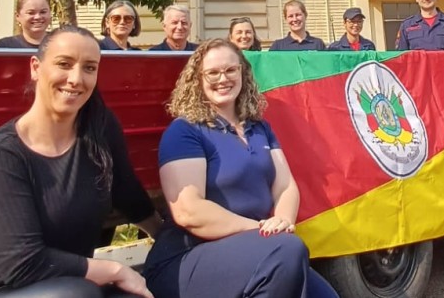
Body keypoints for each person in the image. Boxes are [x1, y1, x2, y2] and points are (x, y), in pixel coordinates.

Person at [0, 26, 163, 298]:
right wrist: (116, 271)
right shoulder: (0, 155)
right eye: (64, 64)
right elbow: (22, 264)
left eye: (89, 68)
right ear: (35, 67)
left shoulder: (99, 130)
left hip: (66, 282)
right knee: (77, 294)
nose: (76, 79)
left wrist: (167, 237)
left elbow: (127, 193)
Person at [142, 39, 338, 298]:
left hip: (260, 246)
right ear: (197, 80)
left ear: (243, 74)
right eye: (212, 72)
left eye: (230, 70)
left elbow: (285, 186)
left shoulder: (260, 128)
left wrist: (282, 223)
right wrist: (259, 230)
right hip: (186, 257)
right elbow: (189, 211)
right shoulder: (185, 130)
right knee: (287, 251)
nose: (222, 78)